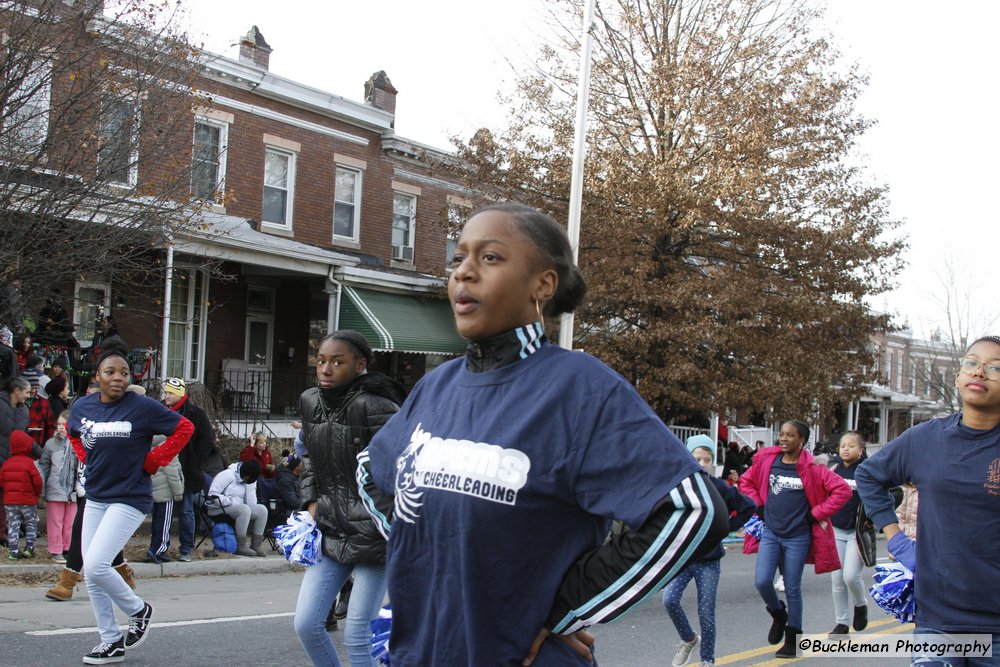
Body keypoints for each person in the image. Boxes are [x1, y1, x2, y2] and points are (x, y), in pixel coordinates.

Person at [361, 203, 729, 666]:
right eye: (458, 259)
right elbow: (371, 471)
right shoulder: (436, 386)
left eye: (490, 258)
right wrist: (428, 549)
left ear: (543, 284)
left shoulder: (583, 390)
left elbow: (692, 510)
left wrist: (561, 610)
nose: (464, 274)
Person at [857, 336, 1000, 666]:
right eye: (971, 363)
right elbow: (869, 476)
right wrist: (897, 541)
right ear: (958, 376)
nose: (979, 373)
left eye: (994, 368)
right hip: (937, 618)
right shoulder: (924, 440)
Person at [67, 338, 193, 664]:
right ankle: (110, 641)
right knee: (93, 572)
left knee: (96, 564)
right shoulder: (83, 407)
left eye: (124, 372)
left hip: (131, 497)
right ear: (98, 376)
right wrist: (86, 458)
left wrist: (154, 461)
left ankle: (139, 609)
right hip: (96, 496)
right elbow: (72, 434)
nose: (119, 378)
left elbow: (184, 427)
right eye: (111, 372)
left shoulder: (142, 407)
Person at [294, 330, 406, 666]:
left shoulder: (377, 406)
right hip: (331, 529)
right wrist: (311, 501)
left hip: (376, 537)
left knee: (357, 633)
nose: (326, 369)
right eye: (322, 361)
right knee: (307, 625)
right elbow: (310, 454)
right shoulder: (310, 400)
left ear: (360, 365)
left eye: (337, 362)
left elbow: (403, 468)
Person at [738, 419, 851, 658]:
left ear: (802, 440)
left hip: (797, 538)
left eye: (790, 435)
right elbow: (745, 482)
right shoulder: (768, 461)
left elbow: (842, 490)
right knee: (762, 581)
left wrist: (815, 514)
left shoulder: (813, 468)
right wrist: (757, 505)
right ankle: (779, 614)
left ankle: (793, 639)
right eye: (782, 434)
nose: (784, 438)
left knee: (792, 587)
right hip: (771, 533)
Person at [665, 435, 755, 667]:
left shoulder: (719, 487)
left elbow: (748, 506)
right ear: (687, 458)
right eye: (697, 458)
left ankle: (707, 660)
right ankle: (689, 639)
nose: (702, 463)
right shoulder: (678, 486)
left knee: (706, 611)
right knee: (669, 600)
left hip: (709, 560)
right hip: (684, 558)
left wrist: (727, 528)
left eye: (707, 459)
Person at [161, 377, 215, 562]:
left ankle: (186, 548)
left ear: (180, 395)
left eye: (170, 393)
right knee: (163, 512)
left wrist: (196, 462)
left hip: (186, 471)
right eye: (165, 392)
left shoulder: (196, 414)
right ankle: (161, 548)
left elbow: (206, 440)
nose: (166, 396)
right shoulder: (159, 411)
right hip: (162, 470)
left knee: (186, 510)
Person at [826, 431, 870, 637]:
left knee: (850, 576)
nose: (845, 448)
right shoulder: (833, 469)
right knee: (837, 579)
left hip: (857, 533)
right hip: (835, 530)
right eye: (842, 445)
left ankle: (860, 605)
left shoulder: (867, 471)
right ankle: (841, 624)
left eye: (851, 445)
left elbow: (885, 494)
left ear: (860, 450)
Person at [38, 411, 79, 563]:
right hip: (55, 488)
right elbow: (44, 466)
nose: (61, 427)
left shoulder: (78, 442)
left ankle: (68, 548)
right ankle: (56, 549)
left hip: (73, 489)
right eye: (59, 424)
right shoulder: (51, 444)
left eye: (64, 424)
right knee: (55, 521)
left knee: (71, 522)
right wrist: (42, 488)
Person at [206, 460, 268, 557]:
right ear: (246, 474)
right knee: (244, 509)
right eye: (249, 479)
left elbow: (251, 503)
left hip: (239, 508)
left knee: (262, 510)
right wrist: (229, 502)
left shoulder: (250, 480)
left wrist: (250, 486)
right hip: (218, 507)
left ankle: (256, 545)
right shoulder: (227, 475)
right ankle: (241, 545)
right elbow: (212, 494)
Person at [0, 430, 43, 559]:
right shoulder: (30, 463)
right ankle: (29, 548)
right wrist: (37, 494)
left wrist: (8, 492)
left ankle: (13, 550)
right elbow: (38, 481)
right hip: (28, 501)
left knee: (13, 523)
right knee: (30, 523)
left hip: (10, 502)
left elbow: (2, 481)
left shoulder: (6, 464)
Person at [0, 375, 30, 546]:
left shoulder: (24, 410)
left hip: (11, 461)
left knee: (8, 499)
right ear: (16, 391)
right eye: (26, 392)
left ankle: (5, 532)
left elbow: (23, 436)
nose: (28, 395)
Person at [147, 435, 184, 563]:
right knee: (165, 523)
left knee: (157, 521)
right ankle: (159, 549)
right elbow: (172, 472)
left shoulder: (150, 444)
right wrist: (178, 492)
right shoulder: (168, 446)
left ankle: (155, 547)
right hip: (166, 491)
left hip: (155, 488)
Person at [24, 368, 54, 450]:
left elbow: (51, 427)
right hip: (20, 448)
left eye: (36, 388)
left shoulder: (44, 403)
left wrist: (46, 446)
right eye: (31, 388)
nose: (33, 391)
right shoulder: (18, 402)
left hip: (39, 448)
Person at [272, 453, 302, 524]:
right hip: (285, 514)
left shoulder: (295, 477)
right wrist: (309, 502)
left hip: (292, 510)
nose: (303, 464)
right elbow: (294, 504)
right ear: (295, 467)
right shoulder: (285, 481)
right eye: (301, 463)